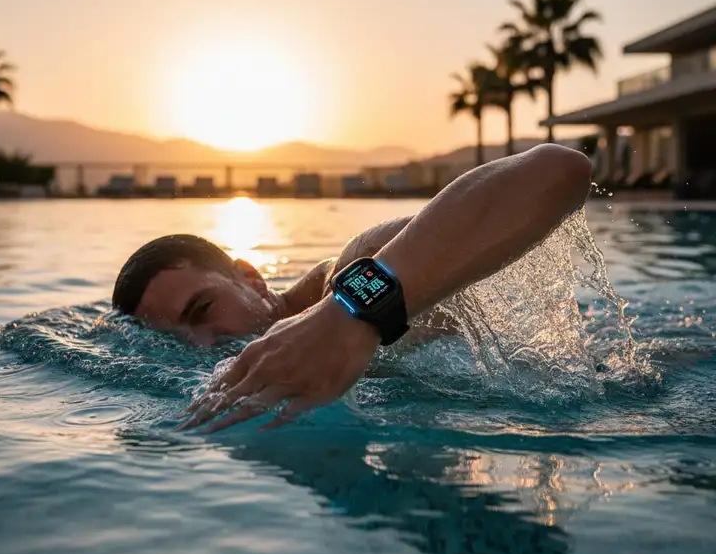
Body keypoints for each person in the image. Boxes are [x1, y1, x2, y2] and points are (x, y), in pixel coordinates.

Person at [112, 143, 592, 432]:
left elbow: (559, 171)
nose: (203, 341)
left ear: (249, 277)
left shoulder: (343, 277)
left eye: (201, 310)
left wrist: (350, 314)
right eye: (175, 337)